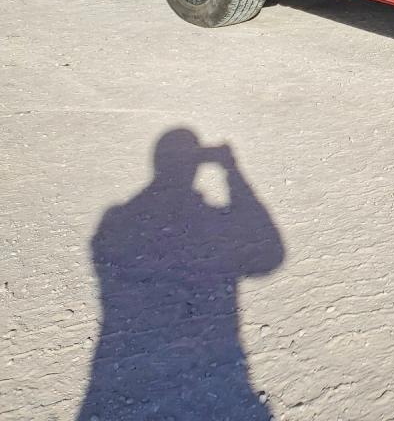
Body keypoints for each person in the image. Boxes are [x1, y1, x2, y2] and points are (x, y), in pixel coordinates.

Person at [78, 128, 284, 420]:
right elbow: (270, 254)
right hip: (216, 366)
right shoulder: (210, 221)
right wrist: (231, 170)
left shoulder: (116, 219)